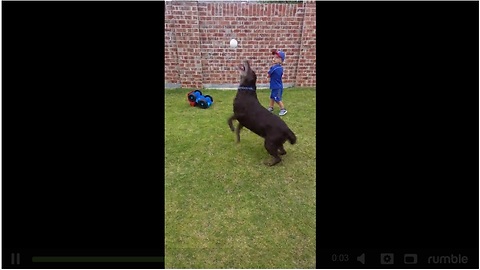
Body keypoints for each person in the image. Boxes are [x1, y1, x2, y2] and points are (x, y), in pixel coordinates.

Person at [267, 49, 287, 116]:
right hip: (274, 85)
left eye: (277, 57)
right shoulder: (275, 67)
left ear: (281, 60)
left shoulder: (277, 68)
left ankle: (283, 109)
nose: (274, 59)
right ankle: (271, 107)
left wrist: (269, 73)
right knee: (272, 97)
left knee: (277, 98)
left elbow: (269, 73)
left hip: (277, 86)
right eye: (274, 57)